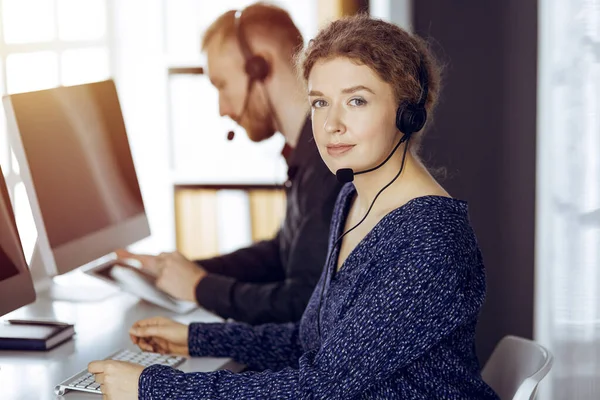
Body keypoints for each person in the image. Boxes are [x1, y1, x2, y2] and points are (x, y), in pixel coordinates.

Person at [89, 14, 500, 399]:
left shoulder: (427, 242)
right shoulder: (353, 199)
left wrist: (156, 389)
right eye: (320, 102)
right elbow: (311, 342)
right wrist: (197, 338)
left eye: (356, 101)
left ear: (406, 113)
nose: (331, 124)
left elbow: (318, 389)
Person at [117, 3, 342, 325]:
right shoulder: (306, 153)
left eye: (222, 84)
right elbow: (282, 253)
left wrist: (200, 287)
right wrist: (186, 270)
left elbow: (303, 303)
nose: (222, 108)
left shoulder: (328, 163)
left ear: (259, 67)